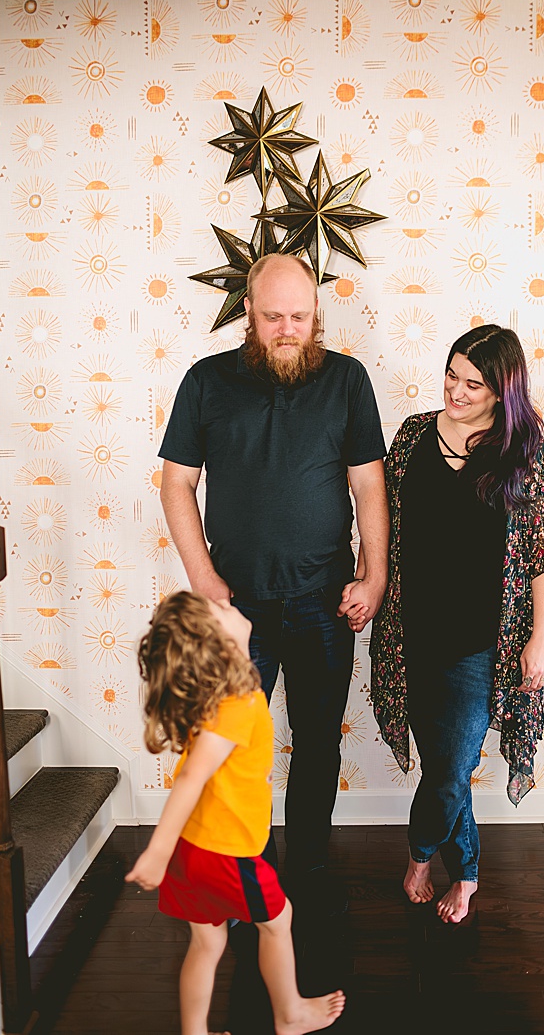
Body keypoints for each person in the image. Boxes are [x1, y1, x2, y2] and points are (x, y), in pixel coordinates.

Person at [159, 253, 388, 900]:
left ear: (315, 315)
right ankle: (247, 864)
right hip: (238, 609)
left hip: (325, 601)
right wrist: (201, 575)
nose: (286, 328)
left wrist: (374, 579)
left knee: (317, 745)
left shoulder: (347, 380)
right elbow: (177, 482)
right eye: (272, 317)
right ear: (248, 314)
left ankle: (309, 864)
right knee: (236, 750)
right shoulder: (207, 382)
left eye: (299, 316)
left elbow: (368, 483)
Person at [370, 324, 544, 923]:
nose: (456, 391)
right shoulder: (412, 437)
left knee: (452, 768)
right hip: (409, 635)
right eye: (451, 375)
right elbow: (380, 521)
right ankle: (468, 874)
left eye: (473, 383)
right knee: (445, 771)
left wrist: (540, 639)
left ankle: (419, 854)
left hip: (478, 644)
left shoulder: (524, 452)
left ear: (501, 391)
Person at [126, 591, 346, 1035]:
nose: (227, 603)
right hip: (227, 851)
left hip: (197, 846)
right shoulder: (236, 706)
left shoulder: (228, 692)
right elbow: (190, 779)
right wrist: (155, 851)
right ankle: (289, 1014)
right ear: (219, 646)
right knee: (278, 920)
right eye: (220, 611)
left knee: (208, 943)